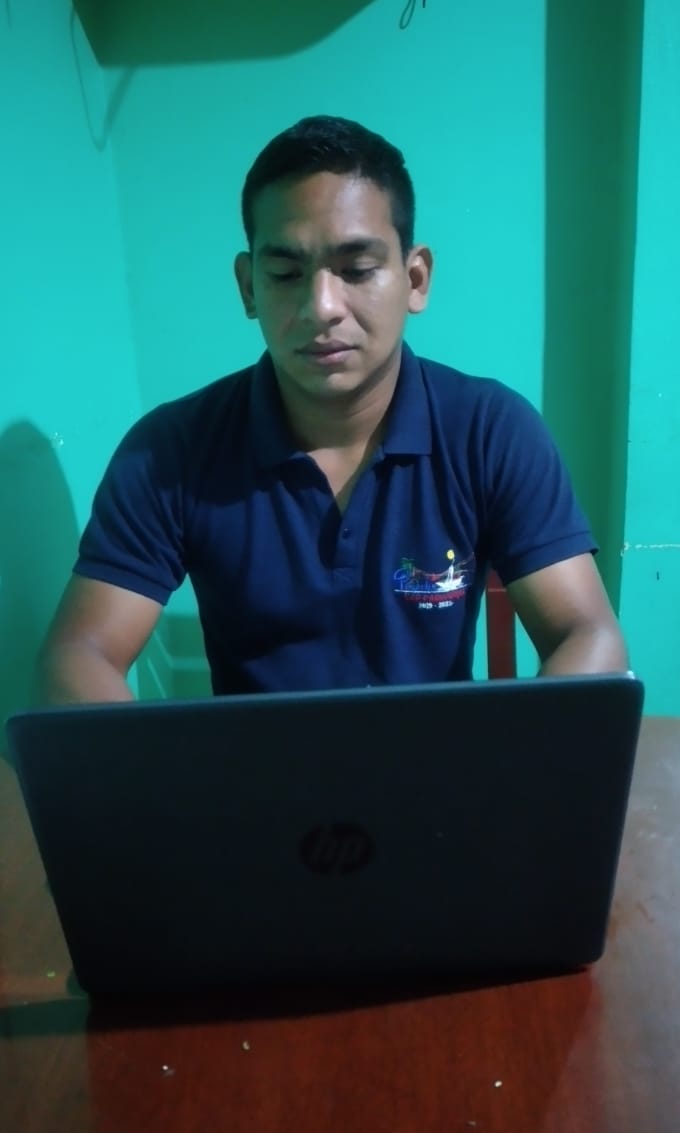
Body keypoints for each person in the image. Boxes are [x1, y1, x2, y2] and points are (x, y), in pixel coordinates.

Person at [37, 115, 627, 705]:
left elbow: (587, 634)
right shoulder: (171, 450)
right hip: (251, 765)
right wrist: (156, 764)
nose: (322, 307)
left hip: (440, 760)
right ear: (248, 287)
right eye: (286, 274)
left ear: (415, 278)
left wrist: (518, 755)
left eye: (357, 270)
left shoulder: (489, 429)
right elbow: (78, 653)